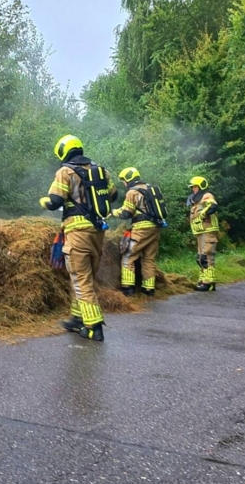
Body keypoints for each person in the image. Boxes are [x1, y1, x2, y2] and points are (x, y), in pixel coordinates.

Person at [40, 134, 118, 341]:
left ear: (63, 152)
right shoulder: (100, 170)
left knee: (81, 278)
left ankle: (93, 326)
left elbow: (56, 201)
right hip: (98, 231)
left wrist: (44, 202)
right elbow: (114, 195)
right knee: (83, 276)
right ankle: (77, 318)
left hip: (77, 232)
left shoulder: (65, 172)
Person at [115, 167, 167, 297]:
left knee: (128, 255)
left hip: (141, 228)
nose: (124, 184)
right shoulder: (150, 189)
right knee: (148, 259)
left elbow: (127, 213)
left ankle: (128, 289)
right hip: (155, 228)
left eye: (124, 181)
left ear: (128, 179)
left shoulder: (132, 192)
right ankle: (148, 289)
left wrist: (115, 213)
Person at [187, 175, 220, 291]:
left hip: (208, 230)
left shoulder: (207, 195)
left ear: (201, 186)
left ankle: (209, 282)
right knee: (200, 258)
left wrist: (203, 214)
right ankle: (202, 280)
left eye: (195, 187)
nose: (193, 189)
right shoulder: (196, 201)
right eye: (192, 187)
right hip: (200, 232)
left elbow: (213, 206)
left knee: (206, 257)